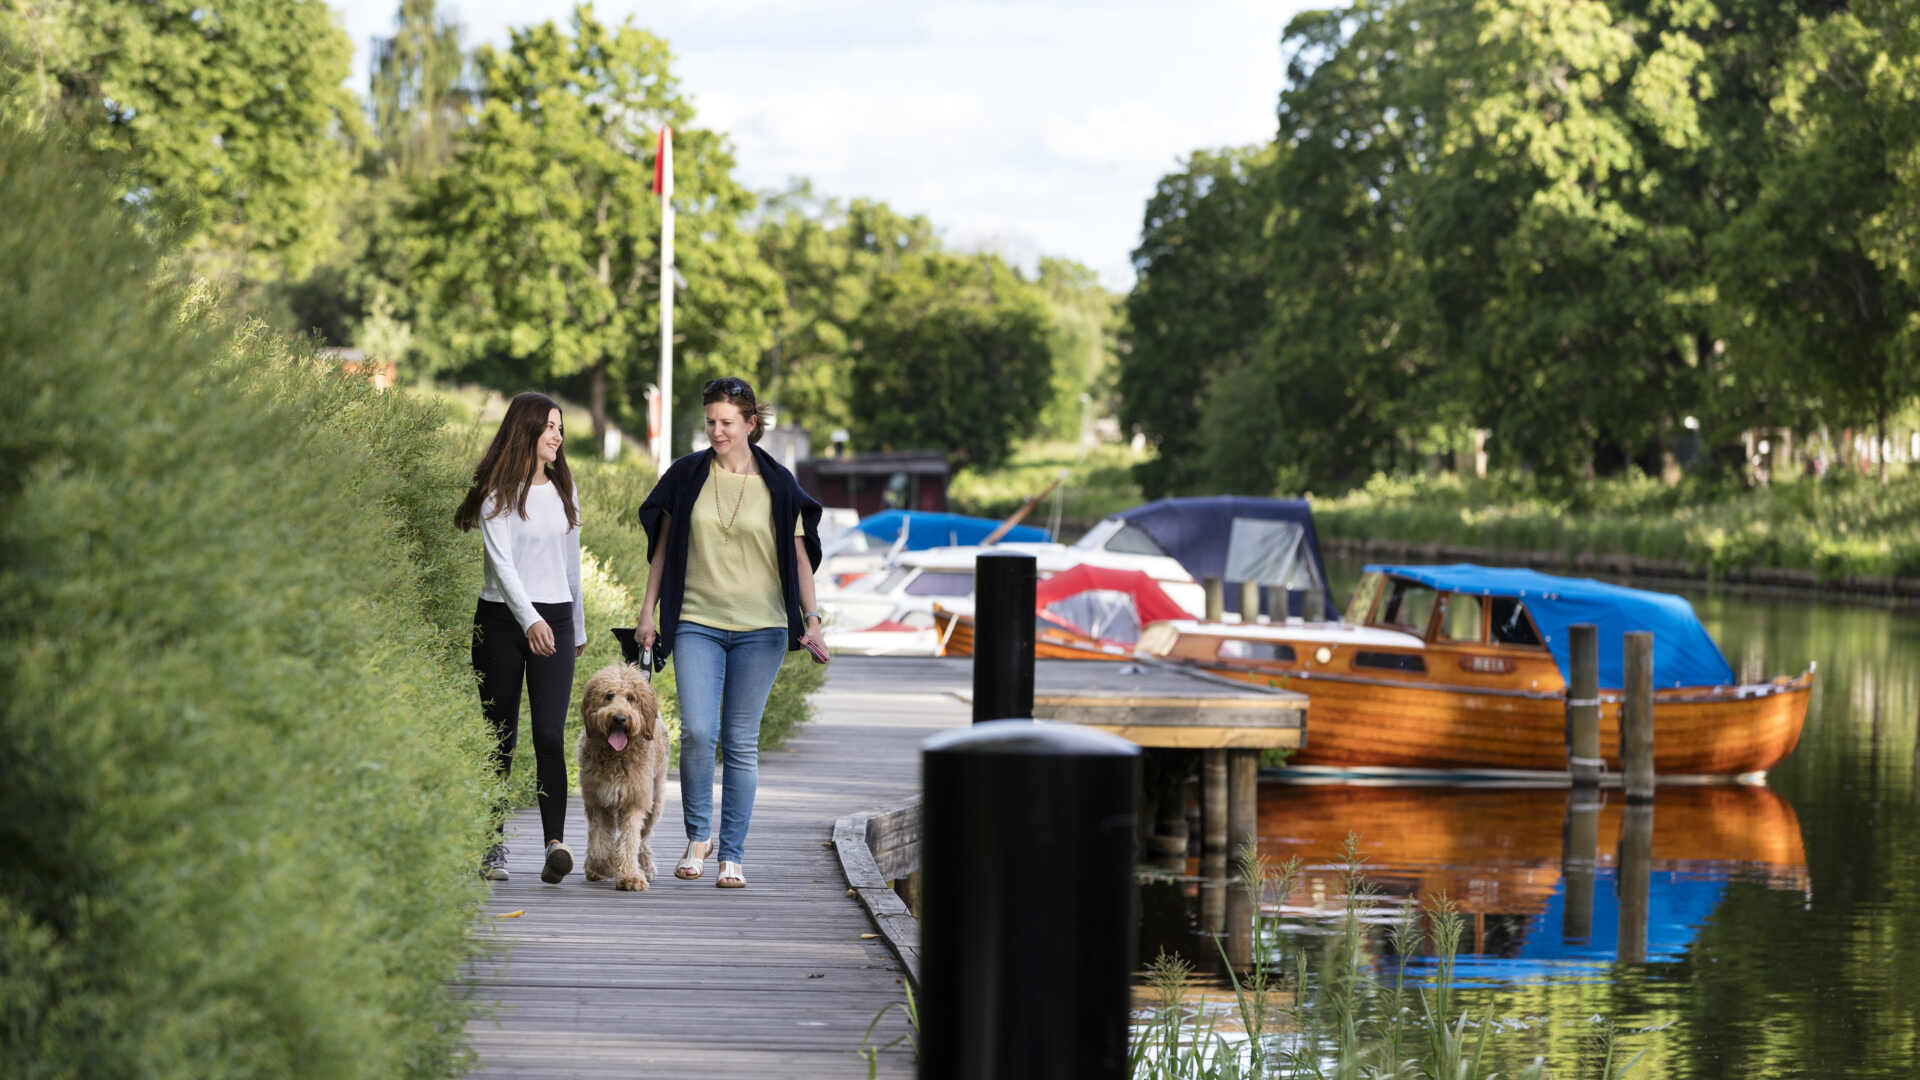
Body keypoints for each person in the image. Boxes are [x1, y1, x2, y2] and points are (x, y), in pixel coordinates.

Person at [636, 376, 825, 889]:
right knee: (699, 731)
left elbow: (801, 558)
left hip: (761, 628)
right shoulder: (687, 475)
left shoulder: (779, 484)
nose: (716, 432)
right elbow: (662, 549)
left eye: (726, 423)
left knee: (740, 741)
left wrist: (812, 621)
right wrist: (648, 613)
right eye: (710, 423)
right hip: (697, 619)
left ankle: (732, 854)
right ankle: (699, 837)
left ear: (750, 425)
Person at [455, 392, 586, 885]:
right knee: (500, 736)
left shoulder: (564, 491)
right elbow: (503, 568)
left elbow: (571, 567)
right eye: (550, 427)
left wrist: (578, 624)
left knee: (549, 734)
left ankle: (555, 845)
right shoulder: (497, 494)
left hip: (555, 619)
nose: (557, 436)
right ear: (527, 431)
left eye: (560, 428)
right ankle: (492, 848)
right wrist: (530, 620)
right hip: (503, 623)